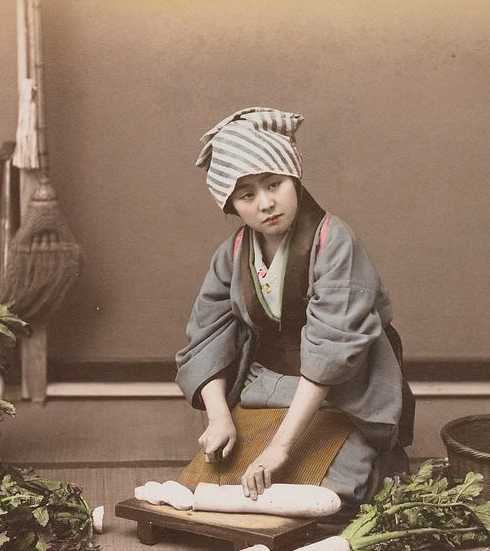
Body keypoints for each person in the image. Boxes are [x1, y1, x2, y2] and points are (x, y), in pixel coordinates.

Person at [175, 107, 414, 517]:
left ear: (295, 179)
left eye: (274, 184)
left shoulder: (335, 241)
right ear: (231, 204)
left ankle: (371, 459)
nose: (266, 203)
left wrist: (280, 447)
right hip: (266, 384)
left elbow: (332, 350)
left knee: (329, 499)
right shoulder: (232, 254)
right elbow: (206, 336)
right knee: (216, 485)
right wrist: (218, 417)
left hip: (344, 389)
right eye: (247, 195)